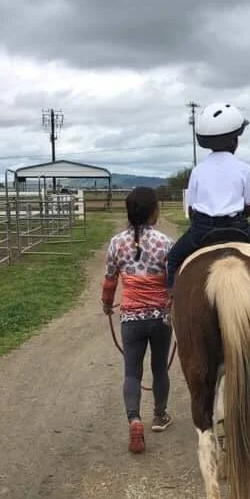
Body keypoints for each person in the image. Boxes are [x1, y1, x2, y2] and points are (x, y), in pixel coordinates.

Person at [166, 102, 250, 290]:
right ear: (234, 141)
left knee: (173, 259)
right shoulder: (244, 169)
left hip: (202, 230)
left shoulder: (198, 170)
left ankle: (170, 302)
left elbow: (192, 207)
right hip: (238, 227)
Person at [101, 187, 174, 454]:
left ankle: (134, 419)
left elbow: (110, 280)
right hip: (160, 317)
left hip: (131, 316)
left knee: (132, 372)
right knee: (159, 368)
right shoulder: (166, 243)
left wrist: (107, 304)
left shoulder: (116, 243)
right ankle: (160, 415)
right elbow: (172, 282)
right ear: (154, 211)